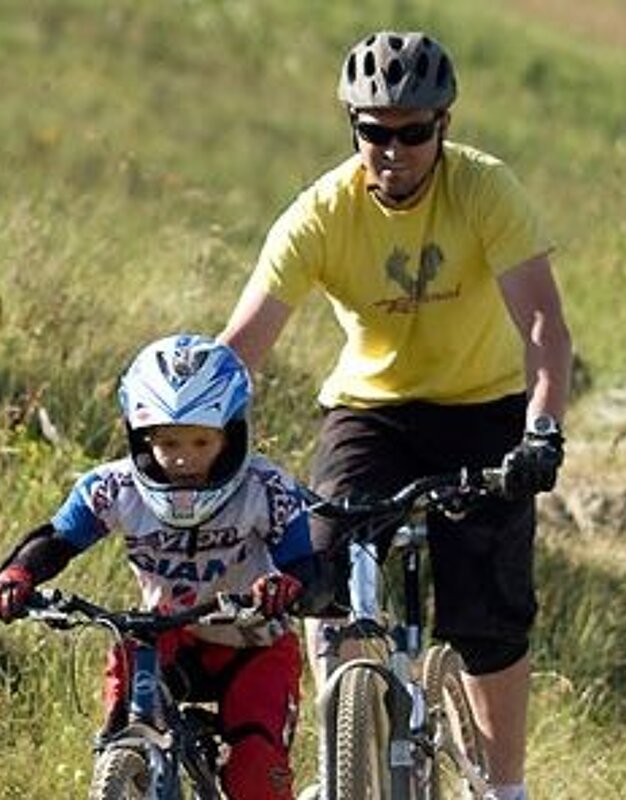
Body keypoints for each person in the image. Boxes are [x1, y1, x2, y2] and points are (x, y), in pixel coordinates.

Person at [219, 30, 572, 800]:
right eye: (375, 131)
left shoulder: (485, 188)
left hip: (483, 407)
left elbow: (543, 325)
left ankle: (504, 788)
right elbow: (241, 347)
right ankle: (345, 754)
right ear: (354, 127)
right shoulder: (321, 212)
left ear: (443, 126)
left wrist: (543, 428)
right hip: (370, 413)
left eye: (414, 132)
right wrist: (189, 437)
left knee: (488, 614)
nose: (394, 150)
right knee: (320, 562)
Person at [0, 334, 320, 799]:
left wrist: (287, 584)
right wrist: (18, 575)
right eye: (168, 441)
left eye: (201, 441)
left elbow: (307, 564)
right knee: (124, 696)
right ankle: (128, 761)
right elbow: (56, 539)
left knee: (255, 771)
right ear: (141, 436)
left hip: (254, 647)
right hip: (165, 635)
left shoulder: (265, 487)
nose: (184, 457)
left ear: (230, 434)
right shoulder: (113, 487)